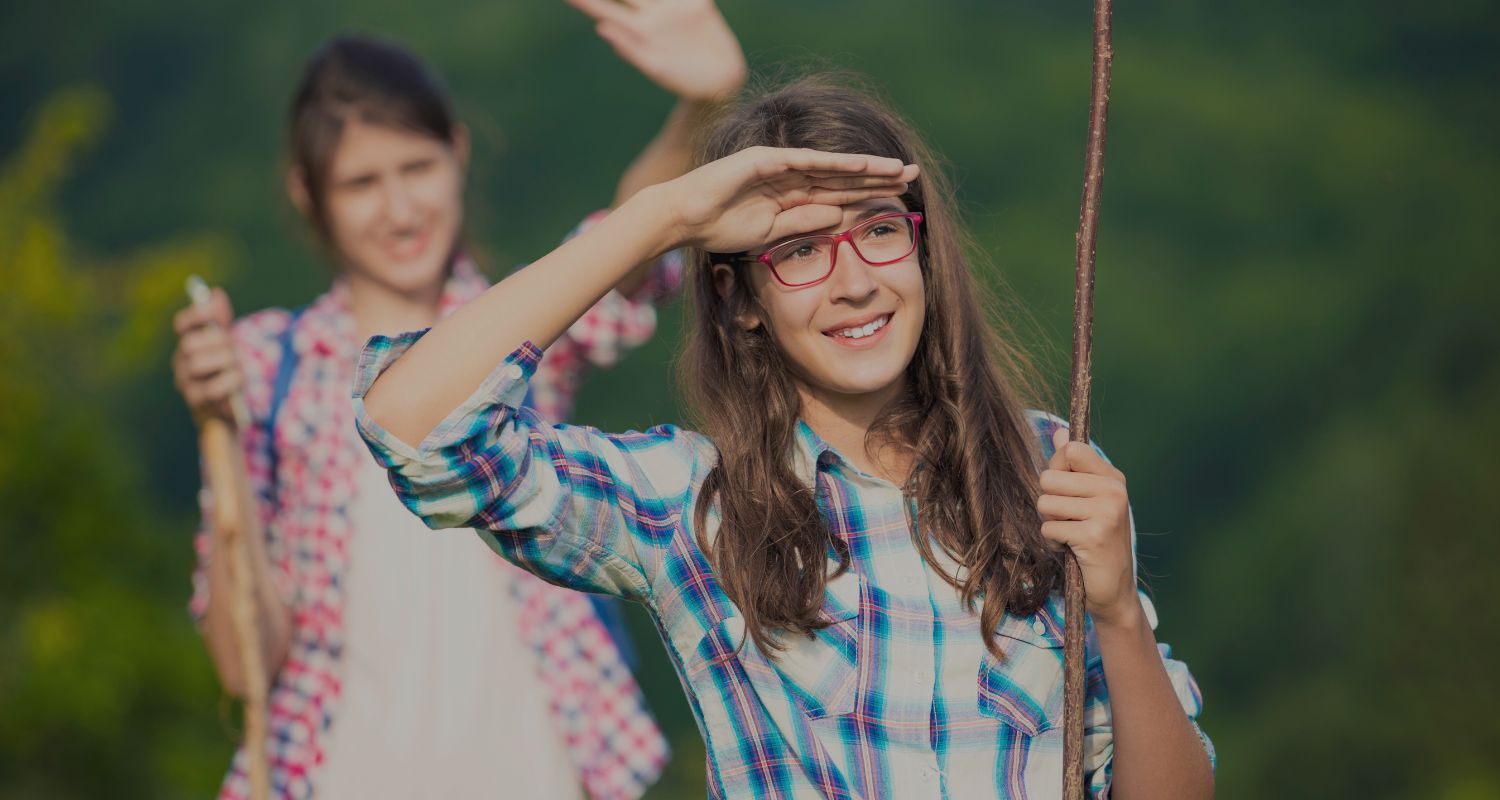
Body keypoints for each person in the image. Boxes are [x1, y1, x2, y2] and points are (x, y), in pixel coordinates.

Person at [353, 76, 1215, 798]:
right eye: (798, 252)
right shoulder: (691, 509)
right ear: (741, 304)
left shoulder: (1047, 471)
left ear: (922, 251)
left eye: (879, 231)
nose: (851, 284)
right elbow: (417, 429)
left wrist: (1115, 613)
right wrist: (663, 219)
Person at [171, 5, 747, 797]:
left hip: (538, 771)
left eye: (417, 168)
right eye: (362, 183)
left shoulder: (521, 330)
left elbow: (628, 248)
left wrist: (706, 105)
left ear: (459, 153)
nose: (400, 209)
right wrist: (219, 428)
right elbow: (246, 667)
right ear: (309, 194)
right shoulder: (265, 366)